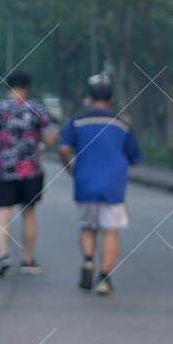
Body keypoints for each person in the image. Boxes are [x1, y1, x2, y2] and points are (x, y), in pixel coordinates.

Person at [58, 80, 142, 296]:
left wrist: (70, 168)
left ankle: (88, 260)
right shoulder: (123, 123)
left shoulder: (76, 121)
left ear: (90, 99)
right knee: (110, 231)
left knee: (87, 227)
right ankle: (104, 277)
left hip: (84, 181)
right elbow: (134, 157)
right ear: (111, 99)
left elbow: (63, 148)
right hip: (113, 186)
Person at [0, 71, 55, 277]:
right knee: (29, 213)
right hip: (30, 171)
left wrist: (1, 141)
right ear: (27, 87)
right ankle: (28, 260)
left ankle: (2, 254)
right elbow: (49, 140)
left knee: (3, 214)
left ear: (8, 86)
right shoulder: (37, 109)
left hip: (2, 170)